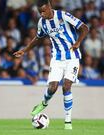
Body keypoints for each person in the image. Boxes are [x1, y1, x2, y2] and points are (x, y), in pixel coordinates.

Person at [13, 0, 88, 130]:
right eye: (39, 12)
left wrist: (78, 42)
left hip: (73, 57)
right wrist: (24, 50)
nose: (42, 14)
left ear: (49, 6)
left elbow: (84, 28)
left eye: (43, 11)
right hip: (57, 59)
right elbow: (38, 38)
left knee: (66, 86)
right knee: (52, 88)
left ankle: (68, 122)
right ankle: (44, 103)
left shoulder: (63, 16)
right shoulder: (42, 23)